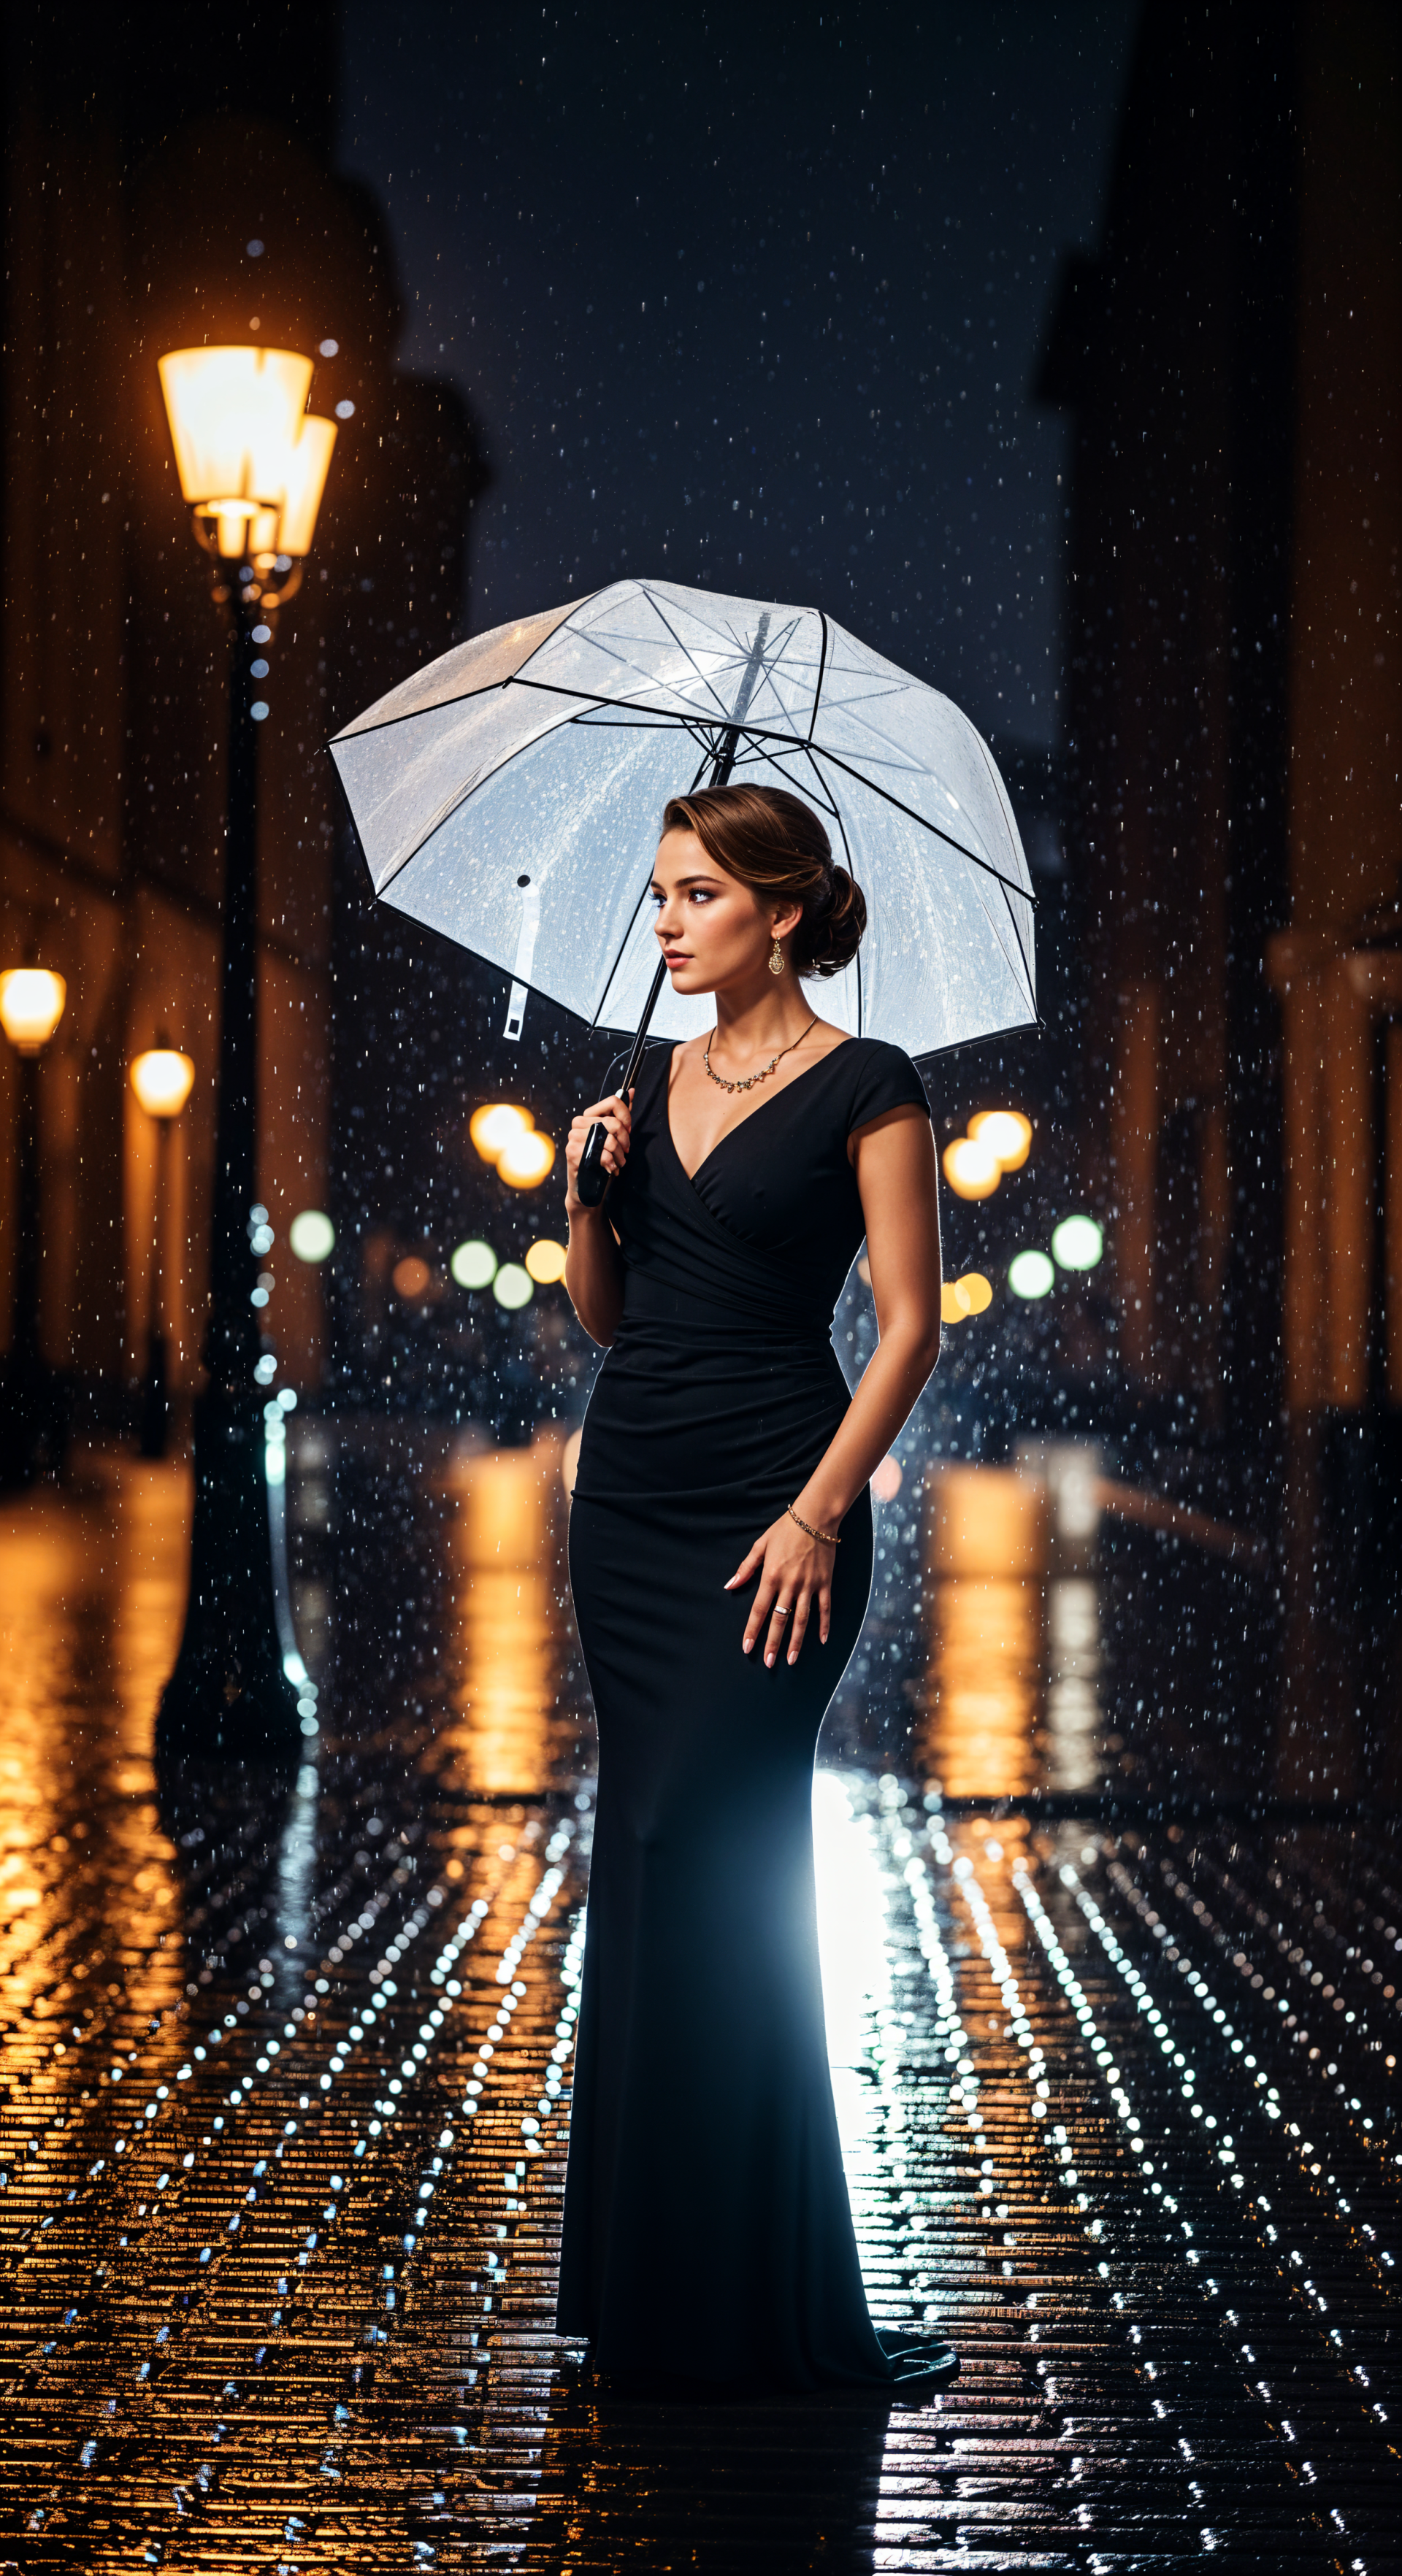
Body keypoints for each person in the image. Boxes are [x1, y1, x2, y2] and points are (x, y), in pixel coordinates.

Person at [557, 781, 952, 2392]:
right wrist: (588, 1193)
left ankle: (770, 2299)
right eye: (657, 895)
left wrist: (814, 1514)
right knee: (649, 1859)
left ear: (779, 913)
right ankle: (656, 2293)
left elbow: (915, 1324)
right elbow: (604, 1320)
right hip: (634, 1503)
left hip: (781, 1503)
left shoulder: (872, 1086)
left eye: (694, 895)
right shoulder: (639, 1088)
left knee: (711, 1851)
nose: (663, 921)